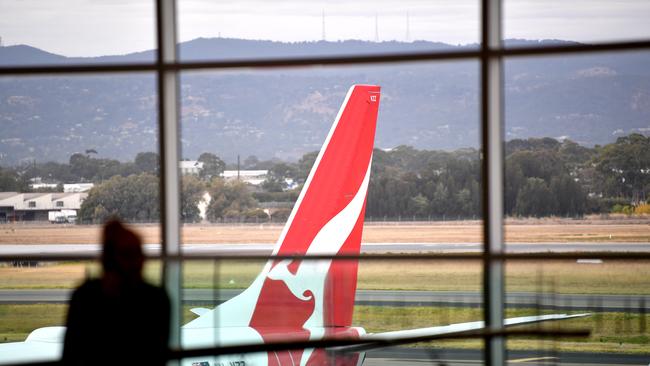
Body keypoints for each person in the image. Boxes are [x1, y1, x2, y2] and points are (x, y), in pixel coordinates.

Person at [62, 219, 170, 365]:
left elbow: (71, 353)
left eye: (137, 253)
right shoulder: (156, 299)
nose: (137, 261)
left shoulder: (85, 297)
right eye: (129, 255)